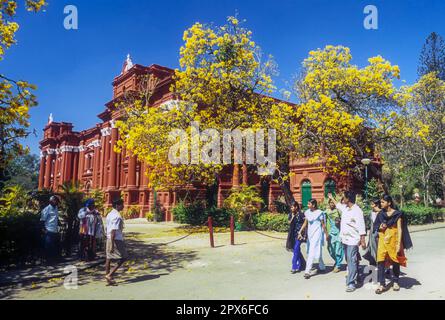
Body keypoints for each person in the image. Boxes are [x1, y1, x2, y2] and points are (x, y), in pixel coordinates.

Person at [329, 191, 366, 292]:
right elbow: (338, 205)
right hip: (344, 239)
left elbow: (361, 225)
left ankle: (351, 283)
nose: (342, 199)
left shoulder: (357, 211)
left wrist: (363, 240)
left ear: (348, 199)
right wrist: (331, 197)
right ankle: (356, 275)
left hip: (353, 240)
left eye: (343, 197)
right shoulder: (345, 208)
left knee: (351, 261)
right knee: (350, 260)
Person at [375, 195, 413, 294]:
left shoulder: (397, 214)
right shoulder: (380, 214)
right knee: (380, 261)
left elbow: (400, 229)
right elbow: (376, 226)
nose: (381, 204)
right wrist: (380, 226)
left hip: (393, 240)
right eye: (381, 202)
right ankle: (381, 284)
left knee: (395, 260)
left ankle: (395, 282)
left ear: (389, 203)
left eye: (383, 202)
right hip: (383, 240)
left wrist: (398, 244)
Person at [298, 199, 329, 279]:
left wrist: (326, 234)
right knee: (316, 250)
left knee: (312, 251)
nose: (308, 205)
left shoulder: (319, 213)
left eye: (309, 204)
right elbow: (305, 223)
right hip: (310, 234)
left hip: (317, 234)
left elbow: (323, 225)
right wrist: (300, 231)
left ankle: (307, 271)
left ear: (314, 205)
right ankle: (322, 267)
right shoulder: (307, 212)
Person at [105, 198, 128, 286]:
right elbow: (113, 231)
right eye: (122, 204)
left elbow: (107, 228)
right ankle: (110, 275)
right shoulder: (117, 216)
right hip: (116, 239)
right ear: (117, 205)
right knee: (124, 257)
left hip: (109, 238)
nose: (123, 206)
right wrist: (112, 244)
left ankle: (108, 278)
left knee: (108, 258)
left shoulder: (110, 214)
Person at [286, 202, 306, 273]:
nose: (291, 208)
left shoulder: (301, 214)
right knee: (296, 249)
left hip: (300, 234)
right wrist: (292, 216)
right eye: (291, 207)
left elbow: (305, 223)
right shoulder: (290, 214)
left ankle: (294, 266)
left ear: (296, 207)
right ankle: (303, 263)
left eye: (292, 207)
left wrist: (303, 233)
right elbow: (289, 222)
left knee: (296, 248)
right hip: (293, 234)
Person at [325, 199, 344, 273]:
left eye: (333, 202)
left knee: (338, 249)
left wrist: (339, 220)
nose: (332, 204)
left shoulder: (338, 211)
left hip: (338, 232)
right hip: (330, 232)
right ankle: (336, 261)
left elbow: (344, 217)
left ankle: (338, 265)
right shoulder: (327, 211)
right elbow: (322, 220)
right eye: (330, 202)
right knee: (330, 249)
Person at [40, 196, 60, 264]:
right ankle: (47, 261)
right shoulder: (46, 209)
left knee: (53, 247)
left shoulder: (56, 208)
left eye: (57, 201)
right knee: (48, 246)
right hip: (49, 230)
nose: (57, 202)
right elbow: (42, 220)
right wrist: (44, 230)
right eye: (56, 201)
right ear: (51, 201)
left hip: (55, 230)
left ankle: (53, 260)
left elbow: (56, 218)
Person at [363, 199, 382, 266]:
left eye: (372, 204)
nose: (371, 206)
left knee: (378, 249)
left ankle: (382, 266)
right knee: (371, 249)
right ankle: (372, 265)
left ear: (377, 205)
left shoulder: (381, 213)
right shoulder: (371, 213)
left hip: (379, 233)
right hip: (372, 233)